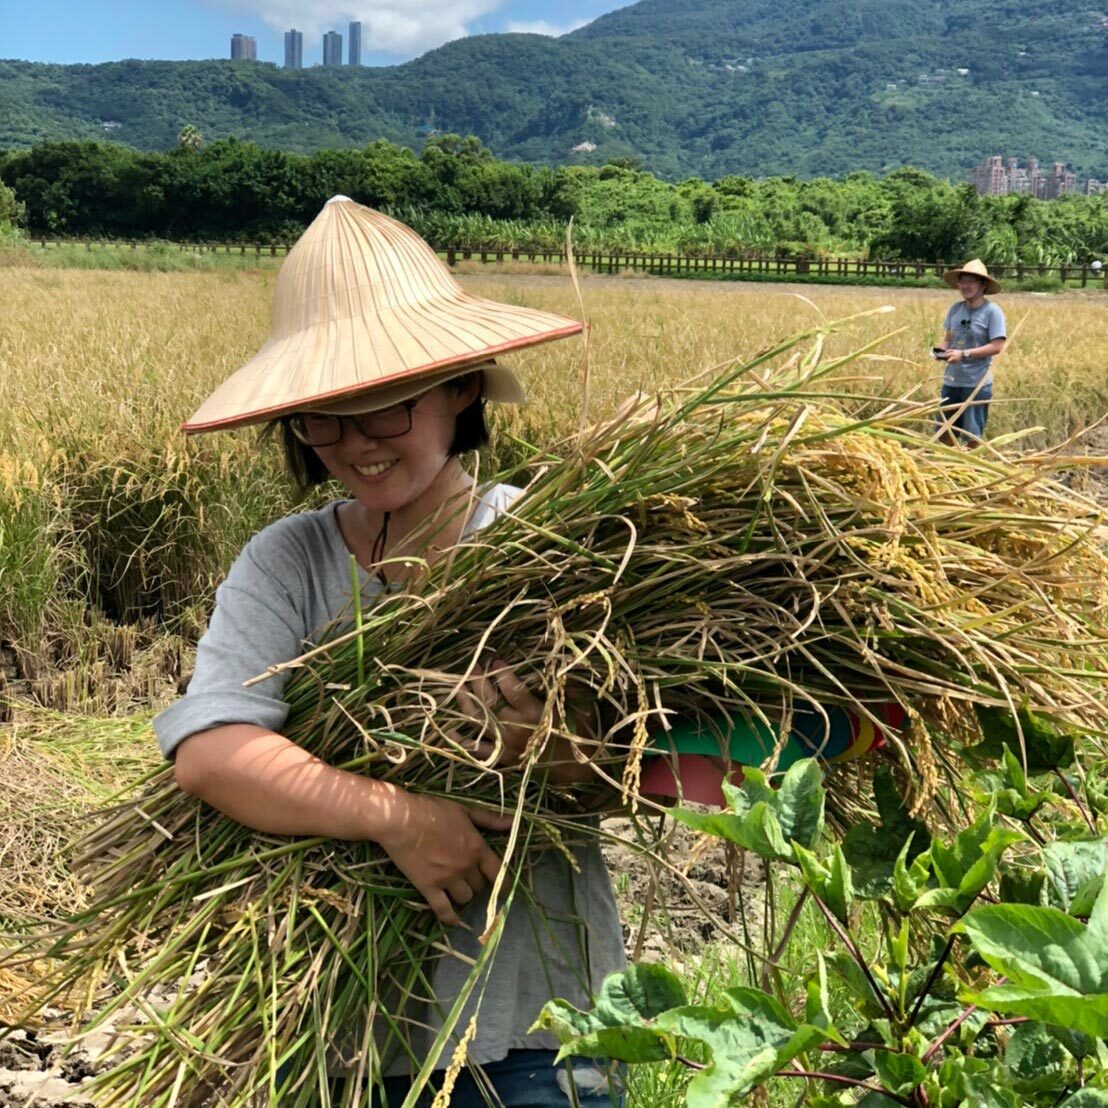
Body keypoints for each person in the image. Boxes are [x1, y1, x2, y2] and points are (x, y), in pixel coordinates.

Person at [153, 196, 626, 1105]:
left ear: (460, 388)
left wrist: (555, 752)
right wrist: (399, 816)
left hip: (538, 1027)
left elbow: (637, 770)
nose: (355, 447)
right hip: (340, 1039)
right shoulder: (290, 561)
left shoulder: (549, 548)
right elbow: (212, 752)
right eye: (324, 420)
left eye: (383, 411)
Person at [934, 259, 1006, 445]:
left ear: (983, 285)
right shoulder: (955, 309)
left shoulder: (992, 312)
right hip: (952, 381)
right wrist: (941, 351)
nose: (965, 286)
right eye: (962, 281)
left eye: (971, 281)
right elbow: (948, 339)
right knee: (944, 432)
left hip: (976, 384)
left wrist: (964, 354)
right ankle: (948, 462)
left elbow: (997, 346)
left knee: (972, 437)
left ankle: (971, 462)